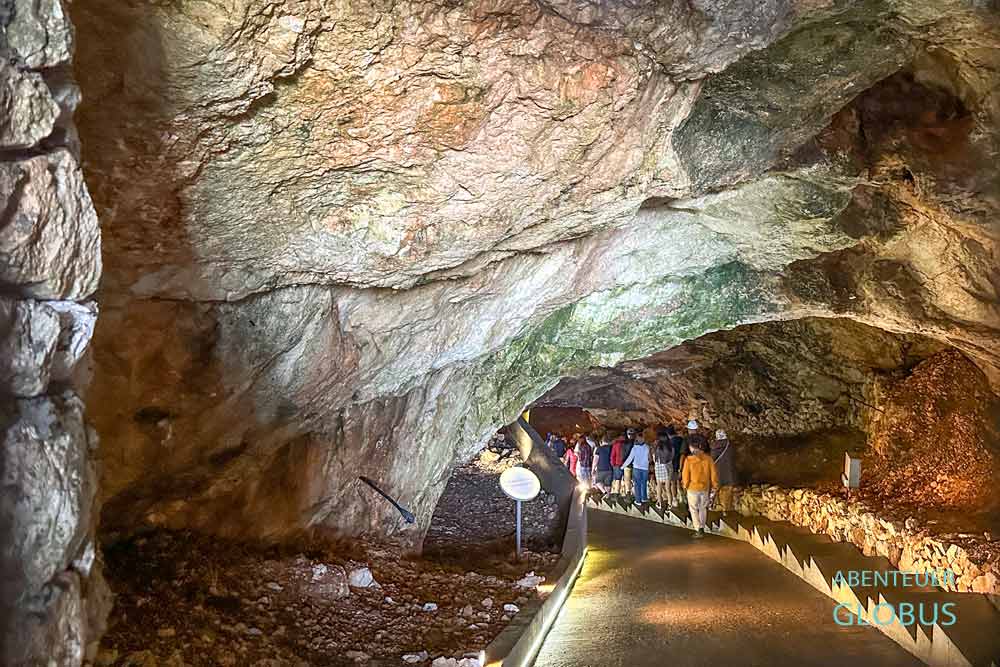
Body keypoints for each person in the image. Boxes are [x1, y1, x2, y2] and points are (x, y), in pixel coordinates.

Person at [682, 438, 718, 538]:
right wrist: (715, 485)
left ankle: (698, 528)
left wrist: (685, 485)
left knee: (693, 509)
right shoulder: (708, 459)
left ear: (692, 447)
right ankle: (702, 526)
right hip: (704, 488)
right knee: (703, 508)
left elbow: (685, 475)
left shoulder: (689, 460)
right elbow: (713, 473)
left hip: (692, 488)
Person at [621, 435, 651, 506]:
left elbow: (630, 458)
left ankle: (638, 500)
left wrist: (623, 466)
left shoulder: (634, 448)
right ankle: (644, 498)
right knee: (644, 483)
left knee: (637, 484)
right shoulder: (647, 447)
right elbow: (650, 458)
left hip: (637, 468)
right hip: (645, 468)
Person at [711, 430, 735, 512]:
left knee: (716, 487)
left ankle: (713, 504)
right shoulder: (729, 445)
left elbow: (712, 459)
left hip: (717, 471)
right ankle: (725, 509)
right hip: (728, 471)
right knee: (727, 489)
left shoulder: (714, 446)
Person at [653, 428, 676, 508]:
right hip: (668, 466)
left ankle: (659, 502)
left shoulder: (657, 447)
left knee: (659, 486)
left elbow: (654, 458)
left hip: (659, 467)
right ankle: (670, 504)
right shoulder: (671, 446)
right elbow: (672, 457)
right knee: (668, 487)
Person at [667, 425, 685, 507]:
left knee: (673, 483)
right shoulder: (682, 440)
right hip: (683, 464)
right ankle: (683, 497)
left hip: (673, 465)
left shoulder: (669, 443)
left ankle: (675, 499)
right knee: (681, 481)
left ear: (668, 434)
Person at [621, 428, 637, 499]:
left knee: (627, 479)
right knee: (635, 479)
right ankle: (635, 493)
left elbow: (622, 454)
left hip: (627, 464)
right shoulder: (636, 443)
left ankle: (628, 493)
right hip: (635, 464)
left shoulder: (624, 443)